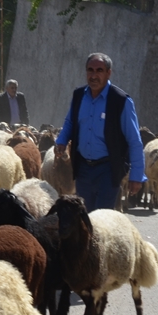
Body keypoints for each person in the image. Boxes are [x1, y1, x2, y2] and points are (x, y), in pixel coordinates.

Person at [54, 53, 146, 211]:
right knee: (85, 215)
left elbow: (134, 140)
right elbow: (70, 122)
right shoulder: (78, 96)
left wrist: (137, 175)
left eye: (99, 70)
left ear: (108, 73)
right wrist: (62, 140)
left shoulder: (121, 101)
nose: (94, 75)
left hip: (108, 170)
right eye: (90, 70)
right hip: (83, 169)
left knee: (102, 217)